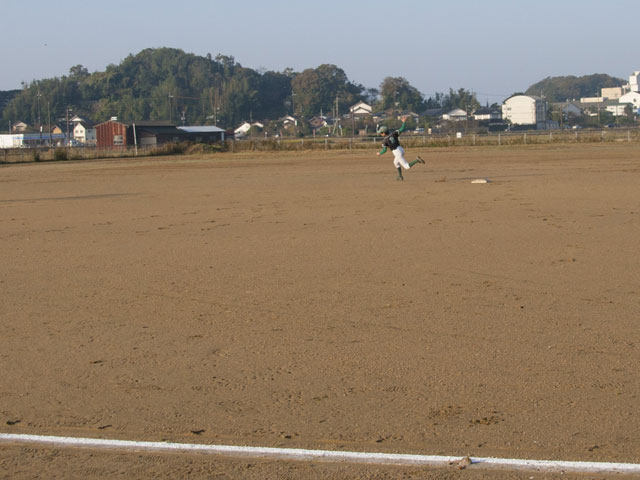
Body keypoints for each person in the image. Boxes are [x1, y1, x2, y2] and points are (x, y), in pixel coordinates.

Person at [376, 116, 425, 180]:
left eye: (381, 133)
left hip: (397, 152)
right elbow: (402, 129)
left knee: (406, 166)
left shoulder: (384, 140)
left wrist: (379, 153)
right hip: (401, 149)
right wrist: (404, 122)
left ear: (383, 133)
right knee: (395, 163)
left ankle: (417, 160)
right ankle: (400, 176)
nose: (380, 134)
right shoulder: (393, 133)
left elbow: (384, 150)